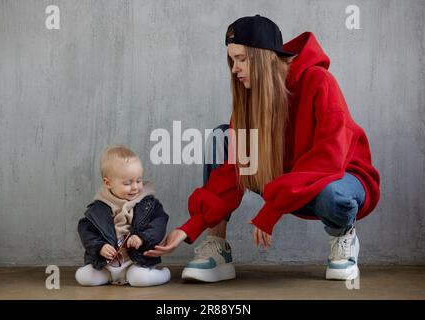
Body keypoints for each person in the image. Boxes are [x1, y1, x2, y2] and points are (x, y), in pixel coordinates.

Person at [144, 15, 380, 282]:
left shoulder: (319, 81)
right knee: (222, 137)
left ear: (265, 57)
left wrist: (270, 211)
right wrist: (189, 227)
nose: (235, 68)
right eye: (232, 60)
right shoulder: (250, 99)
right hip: (283, 184)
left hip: (338, 179)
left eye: (242, 59)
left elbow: (329, 159)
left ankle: (343, 237)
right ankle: (217, 247)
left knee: (332, 191)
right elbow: (231, 172)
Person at [75, 145, 171, 286]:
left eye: (138, 180)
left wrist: (142, 238)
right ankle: (111, 277)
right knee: (83, 277)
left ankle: (163, 274)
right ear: (108, 183)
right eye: (127, 183)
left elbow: (159, 223)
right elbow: (86, 231)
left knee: (139, 279)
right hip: (106, 265)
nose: (135, 187)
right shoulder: (98, 209)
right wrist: (99, 247)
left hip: (136, 262)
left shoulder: (148, 204)